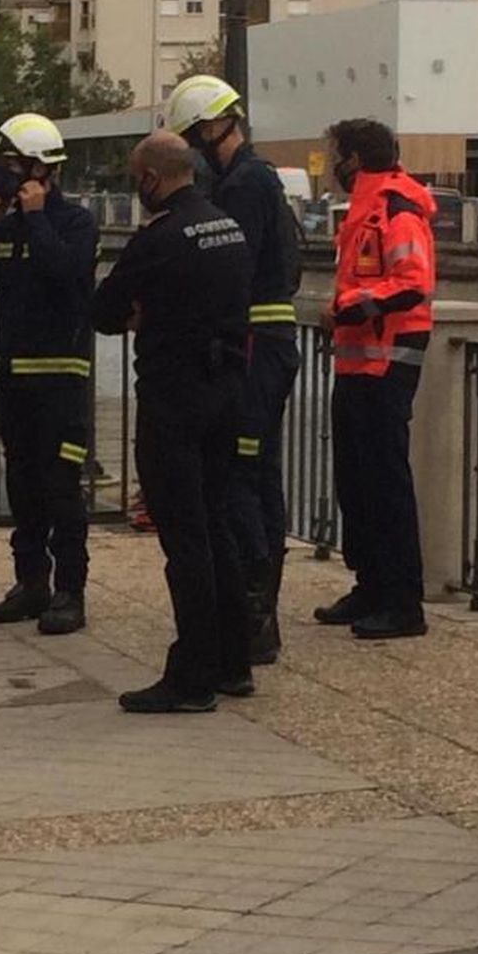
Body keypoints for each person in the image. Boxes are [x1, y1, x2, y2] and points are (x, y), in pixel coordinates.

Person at [91, 131, 253, 713]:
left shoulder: (157, 239)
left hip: (174, 396)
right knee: (219, 523)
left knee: (185, 537)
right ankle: (236, 660)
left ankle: (192, 676)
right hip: (227, 390)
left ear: (151, 179)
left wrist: (142, 313)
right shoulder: (228, 227)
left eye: (136, 178)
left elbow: (104, 311)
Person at [165, 76, 301, 665]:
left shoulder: (245, 185)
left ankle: (253, 612)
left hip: (255, 346)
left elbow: (229, 266)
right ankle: (258, 612)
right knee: (258, 474)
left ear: (212, 127)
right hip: (267, 344)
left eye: (193, 136)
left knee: (244, 478)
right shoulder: (256, 179)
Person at [0, 114, 99, 635]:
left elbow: (66, 274)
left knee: (63, 489)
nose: (4, 174)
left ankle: (69, 591)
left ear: (42, 169)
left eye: (13, 165)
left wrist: (36, 219)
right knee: (24, 487)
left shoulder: (75, 223)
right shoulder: (6, 226)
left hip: (61, 379)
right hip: (14, 378)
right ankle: (31, 583)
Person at [310, 119, 436, 640]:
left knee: (384, 483)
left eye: (335, 154)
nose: (330, 165)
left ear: (355, 160)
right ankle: (371, 585)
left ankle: (403, 601)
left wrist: (345, 306)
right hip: (359, 363)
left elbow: (413, 284)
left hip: (387, 362)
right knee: (357, 480)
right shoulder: (366, 208)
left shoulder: (396, 208)